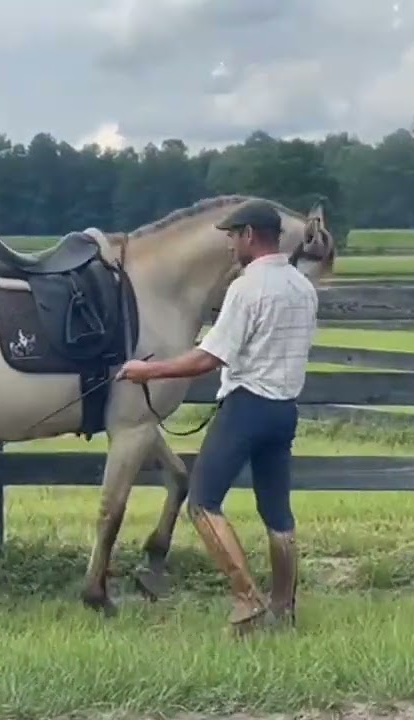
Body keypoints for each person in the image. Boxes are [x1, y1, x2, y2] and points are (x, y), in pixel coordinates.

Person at [116, 198, 319, 634]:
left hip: (247, 408)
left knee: (203, 502)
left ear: (249, 235)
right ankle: (284, 608)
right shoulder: (303, 288)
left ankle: (247, 598)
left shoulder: (247, 288)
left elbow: (208, 358)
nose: (229, 246)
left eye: (232, 236)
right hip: (284, 411)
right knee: (278, 514)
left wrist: (146, 370)